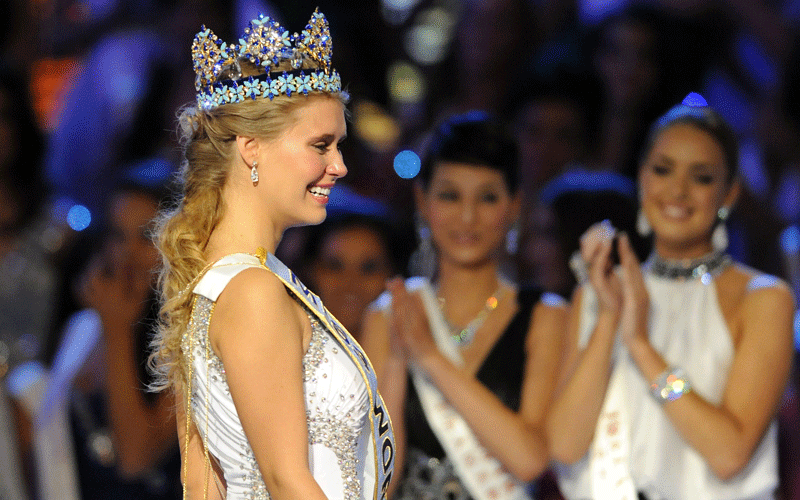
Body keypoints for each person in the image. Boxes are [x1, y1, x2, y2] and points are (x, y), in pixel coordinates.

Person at [147, 11, 394, 500]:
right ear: (251, 148)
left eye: (339, 146)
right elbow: (286, 481)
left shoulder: (227, 282)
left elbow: (199, 485)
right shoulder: (253, 291)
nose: (340, 166)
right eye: (320, 145)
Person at [547, 94, 796, 500]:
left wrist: (641, 347)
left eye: (701, 177)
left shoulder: (763, 298)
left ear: (729, 193)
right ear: (642, 179)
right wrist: (610, 318)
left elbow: (729, 454)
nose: (678, 190)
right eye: (663, 170)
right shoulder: (598, 294)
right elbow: (564, 446)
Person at [361, 111, 567, 500]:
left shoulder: (545, 314)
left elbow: (529, 460)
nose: (467, 216)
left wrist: (429, 355)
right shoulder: (390, 313)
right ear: (422, 201)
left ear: (513, 206)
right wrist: (397, 359)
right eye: (450, 195)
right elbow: (378, 483)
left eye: (487, 198)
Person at [31, 159, 180, 500]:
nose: (126, 254)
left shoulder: (193, 337)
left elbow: (135, 459)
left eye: (147, 237)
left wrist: (117, 331)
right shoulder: (86, 325)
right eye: (117, 235)